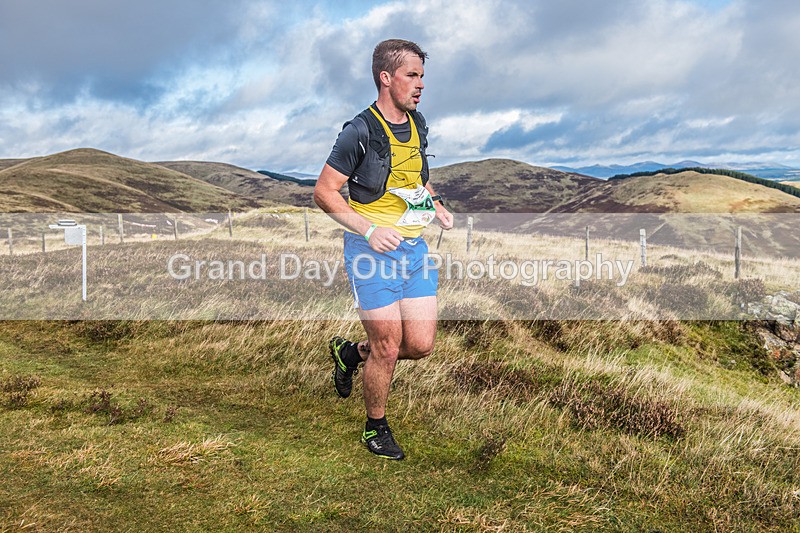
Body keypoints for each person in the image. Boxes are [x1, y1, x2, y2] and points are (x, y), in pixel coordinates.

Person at [313, 39, 454, 460]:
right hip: (369, 249)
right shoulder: (359, 131)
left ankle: (350, 353)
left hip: (413, 249)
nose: (420, 84)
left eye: (422, 76)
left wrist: (437, 204)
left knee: (421, 344)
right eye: (412, 75)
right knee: (389, 346)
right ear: (386, 78)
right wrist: (370, 228)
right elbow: (324, 192)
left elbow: (417, 179)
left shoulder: (418, 124)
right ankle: (375, 428)